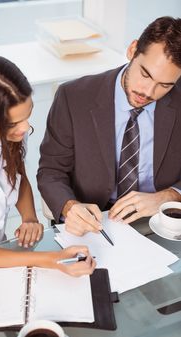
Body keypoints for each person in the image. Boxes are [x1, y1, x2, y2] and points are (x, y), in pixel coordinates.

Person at [0, 55, 95, 277]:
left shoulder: (10, 134)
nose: (25, 128)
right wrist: (53, 259)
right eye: (13, 123)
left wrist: (29, 218)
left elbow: (18, 177)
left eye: (27, 115)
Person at [37, 16, 181, 236]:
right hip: (95, 224)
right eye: (145, 74)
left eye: (164, 85)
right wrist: (70, 207)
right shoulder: (74, 97)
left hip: (162, 222)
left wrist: (171, 196)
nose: (148, 92)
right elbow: (51, 171)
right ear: (132, 50)